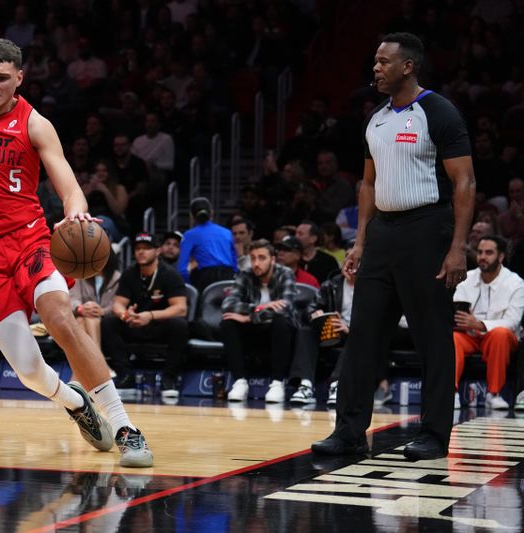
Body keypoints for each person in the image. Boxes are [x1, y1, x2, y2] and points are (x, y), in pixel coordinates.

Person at [0, 38, 153, 467]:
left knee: (61, 316)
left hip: (29, 240)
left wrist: (76, 216)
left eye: (2, 78)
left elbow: (71, 190)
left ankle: (125, 428)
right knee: (28, 370)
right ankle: (75, 402)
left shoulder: (36, 124)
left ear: (20, 78)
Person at [312, 32, 475, 460]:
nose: (375, 68)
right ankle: (348, 432)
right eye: (374, 61)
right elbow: (367, 184)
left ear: (408, 66)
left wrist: (458, 247)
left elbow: (465, 182)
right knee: (363, 335)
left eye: (384, 62)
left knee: (432, 338)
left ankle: (435, 436)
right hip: (383, 232)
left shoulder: (439, 112)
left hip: (427, 230)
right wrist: (361, 242)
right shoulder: (376, 119)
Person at [101, 233, 188, 399]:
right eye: (138, 248)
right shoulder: (129, 273)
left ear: (157, 251)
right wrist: (125, 314)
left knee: (180, 325)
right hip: (134, 324)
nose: (141, 252)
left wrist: (150, 315)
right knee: (108, 323)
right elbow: (117, 304)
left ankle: (169, 378)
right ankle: (126, 375)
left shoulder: (169, 274)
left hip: (158, 326)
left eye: (146, 248)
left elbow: (181, 308)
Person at [453, 236, 524, 410]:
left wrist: (480, 324)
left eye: (489, 253)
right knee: (452, 337)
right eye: (480, 252)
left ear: (500, 257)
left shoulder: (515, 283)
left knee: (499, 334)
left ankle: (494, 393)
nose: (483, 257)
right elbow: (457, 310)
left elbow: (513, 322)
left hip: (498, 337)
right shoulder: (466, 278)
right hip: (469, 335)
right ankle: (451, 393)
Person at [222, 239, 298, 403]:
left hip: (277, 330)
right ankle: (239, 381)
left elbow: (286, 308)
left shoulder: (285, 274)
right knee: (228, 322)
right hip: (253, 331)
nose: (256, 263)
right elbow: (228, 305)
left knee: (281, 320)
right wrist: (261, 307)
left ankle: (277, 383)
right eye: (253, 258)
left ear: (273, 259)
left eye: (262, 258)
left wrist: (250, 316)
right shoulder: (245, 274)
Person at [178, 197, 238, 294]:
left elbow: (182, 270)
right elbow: (235, 263)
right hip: (229, 276)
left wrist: (190, 288)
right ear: (212, 213)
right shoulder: (227, 232)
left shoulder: (189, 235)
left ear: (191, 216)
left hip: (206, 278)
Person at [69, 252, 121, 351]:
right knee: (83, 319)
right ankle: (98, 357)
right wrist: (80, 308)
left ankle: (87, 363)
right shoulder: (79, 275)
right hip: (83, 315)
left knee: (85, 319)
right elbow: (73, 298)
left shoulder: (117, 277)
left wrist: (103, 311)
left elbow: (117, 303)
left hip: (108, 319)